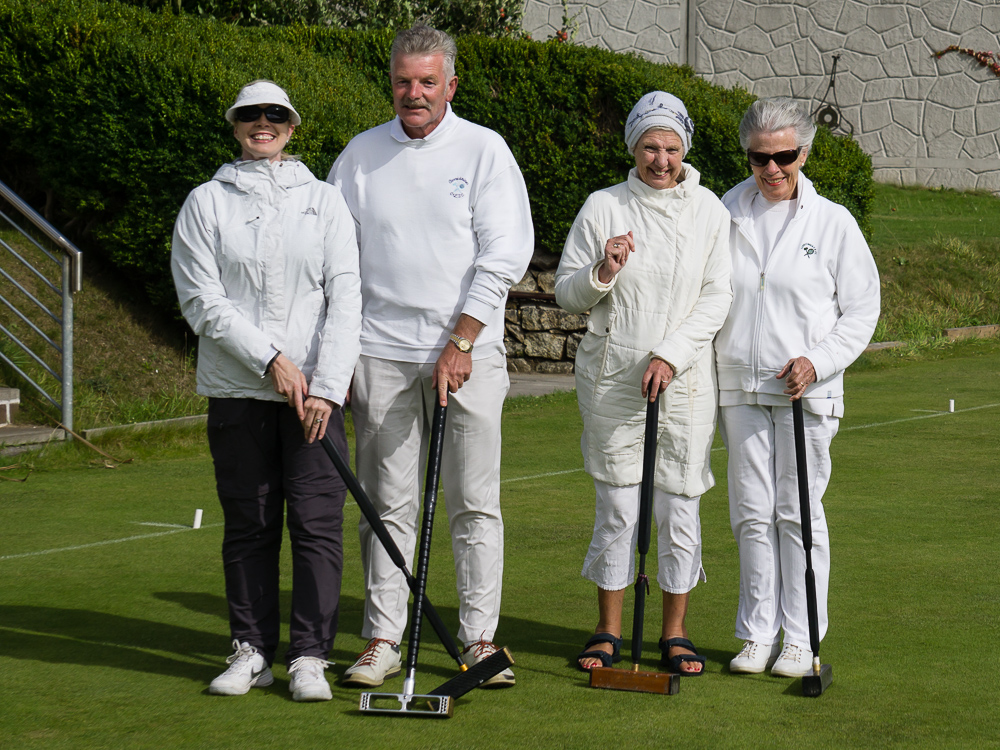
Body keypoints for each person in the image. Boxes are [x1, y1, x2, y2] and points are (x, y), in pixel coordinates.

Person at [326, 25, 533, 688]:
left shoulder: (484, 151)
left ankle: (478, 640)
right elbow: (336, 262)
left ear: (450, 83)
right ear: (392, 83)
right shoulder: (359, 156)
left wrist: (462, 339)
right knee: (387, 502)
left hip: (469, 355)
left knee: (473, 502)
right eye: (403, 81)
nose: (413, 94)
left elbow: (504, 254)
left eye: (426, 82)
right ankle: (383, 636)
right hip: (380, 354)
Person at [171, 80, 362, 701]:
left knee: (315, 525)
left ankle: (309, 655)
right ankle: (250, 649)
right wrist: (273, 360)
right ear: (234, 126)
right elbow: (203, 302)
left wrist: (328, 387)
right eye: (250, 115)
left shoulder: (325, 201)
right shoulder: (206, 202)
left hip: (316, 399)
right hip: (238, 391)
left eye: (274, 115)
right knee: (250, 524)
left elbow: (346, 299)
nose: (263, 123)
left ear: (292, 126)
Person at [554, 91, 732, 675]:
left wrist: (671, 355)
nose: (661, 159)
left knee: (679, 508)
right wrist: (602, 270)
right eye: (650, 147)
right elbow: (566, 292)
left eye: (671, 147)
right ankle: (607, 631)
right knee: (618, 508)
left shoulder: (709, 210)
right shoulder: (603, 206)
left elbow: (717, 296)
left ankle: (675, 634)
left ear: (686, 149)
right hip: (613, 383)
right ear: (633, 147)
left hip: (684, 386)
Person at [715, 97, 880, 677]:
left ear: (804, 153)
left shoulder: (832, 222)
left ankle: (802, 637)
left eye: (785, 155)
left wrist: (818, 362)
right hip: (739, 387)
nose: (772, 169)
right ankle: (757, 635)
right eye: (761, 157)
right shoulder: (726, 210)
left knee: (798, 511)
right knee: (750, 513)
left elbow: (861, 311)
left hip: (805, 393)